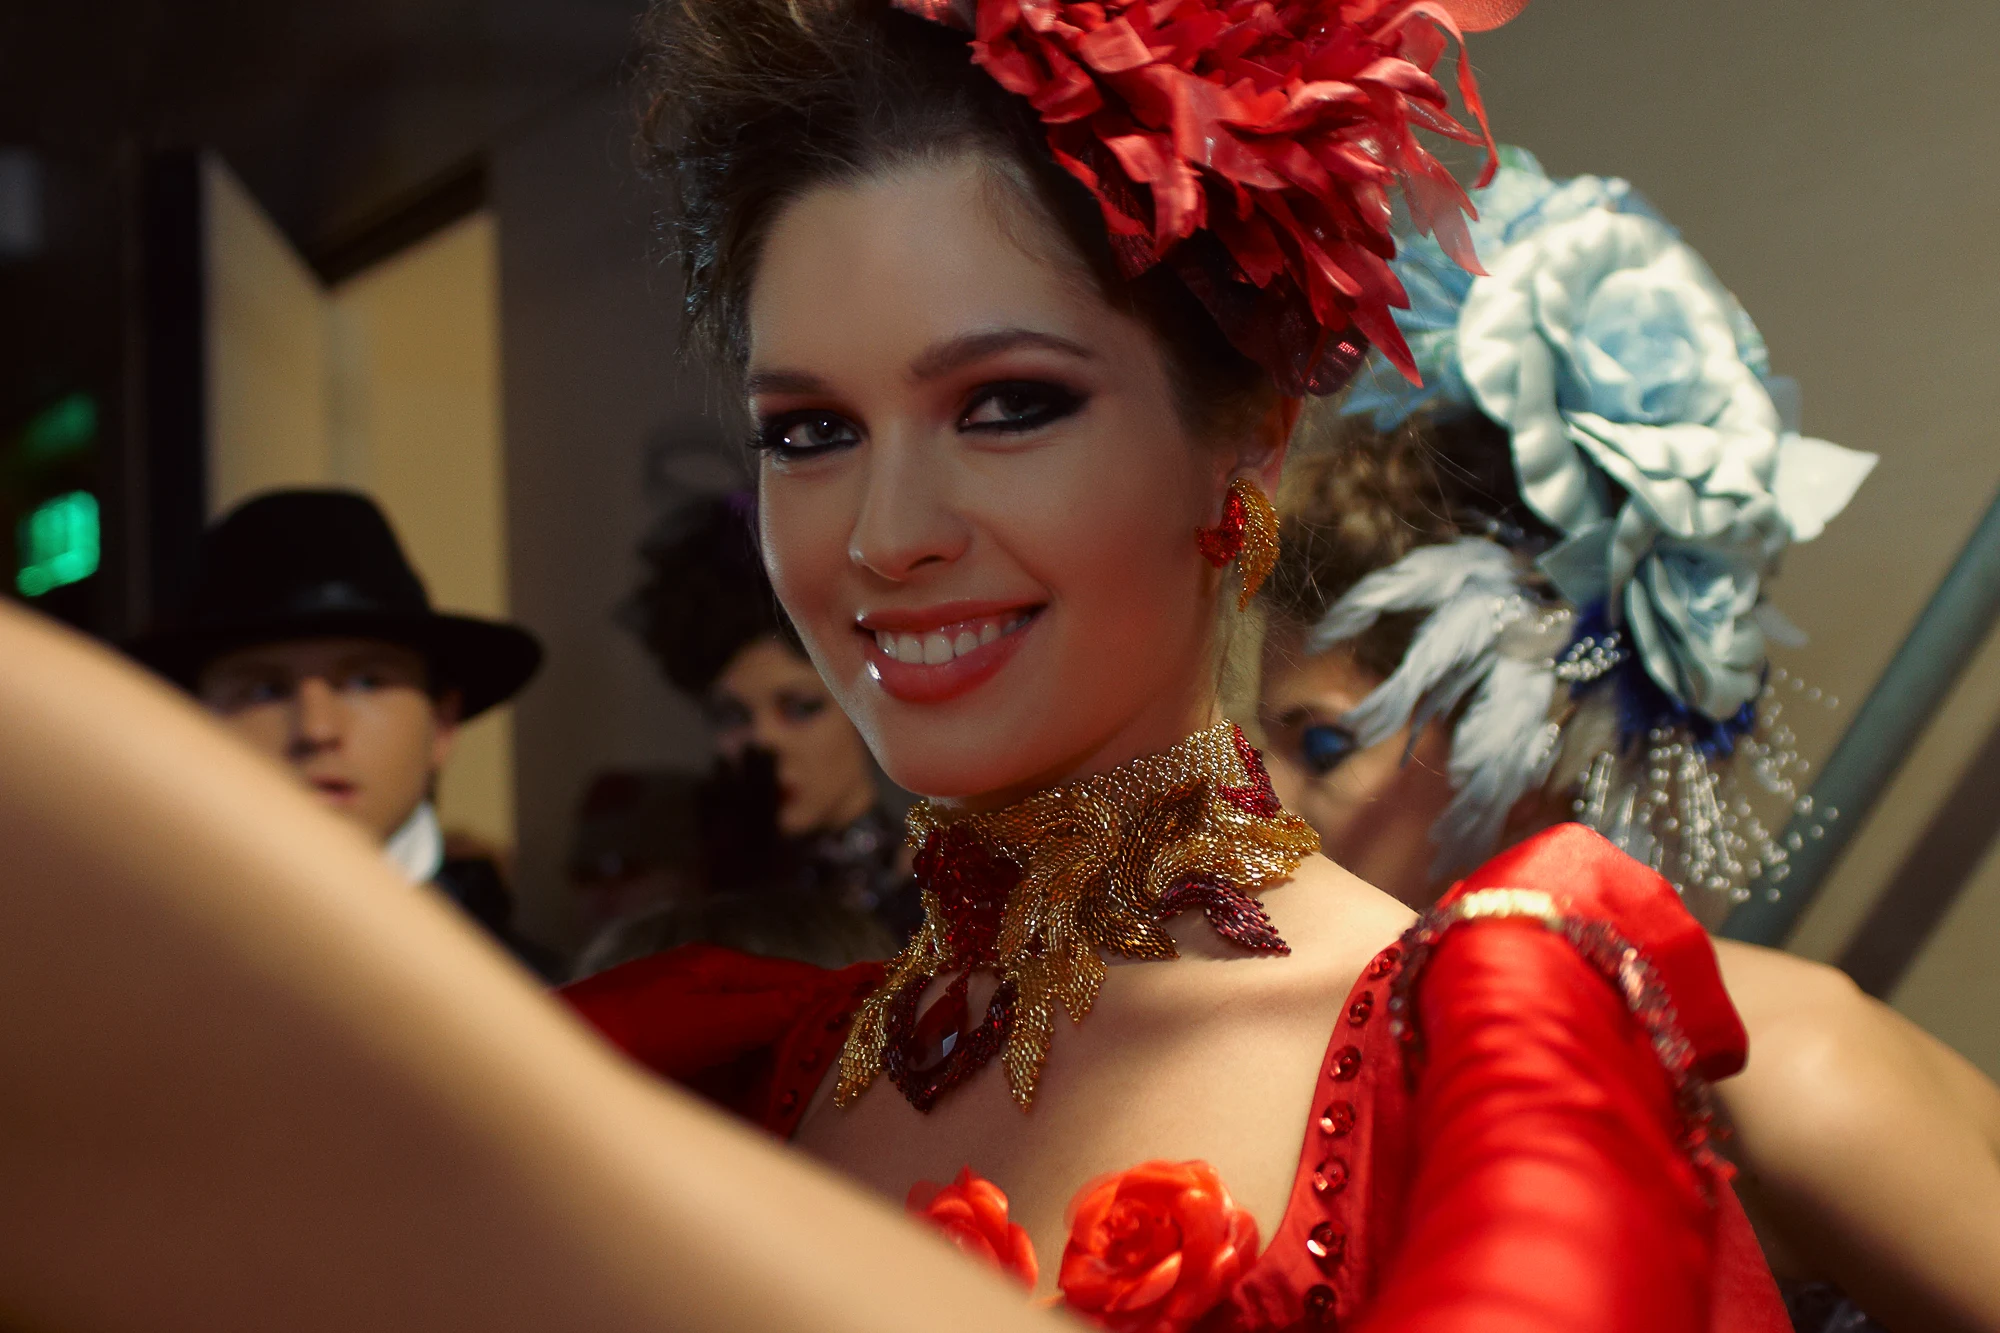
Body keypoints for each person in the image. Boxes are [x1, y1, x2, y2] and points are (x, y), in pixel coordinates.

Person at [0, 1, 1794, 1329]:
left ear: (1243, 435)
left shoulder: (1481, 1053)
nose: (884, 534)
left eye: (1007, 404)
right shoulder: (726, 1059)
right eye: (809, 432)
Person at [1254, 149, 2000, 1332]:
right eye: (1261, 745)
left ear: (1531, 752)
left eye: (1326, 746)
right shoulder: (1353, 1065)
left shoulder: (1779, 1063)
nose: (1262, 806)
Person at [129, 488, 561, 978]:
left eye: (365, 682)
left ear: (441, 723)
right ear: (190, 726)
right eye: (265, 690)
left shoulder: (552, 1005)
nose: (317, 729)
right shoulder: (107, 988)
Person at [575, 491, 914, 972]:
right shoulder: (688, 890)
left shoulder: (932, 892)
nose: (764, 741)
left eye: (801, 708)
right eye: (732, 717)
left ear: (861, 707)